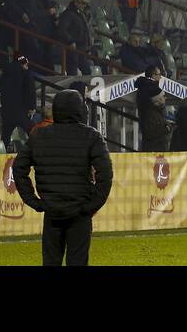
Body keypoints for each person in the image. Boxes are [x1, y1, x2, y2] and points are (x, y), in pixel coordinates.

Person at [12, 89, 114, 266]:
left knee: (51, 262)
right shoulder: (91, 136)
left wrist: (35, 201)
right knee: (78, 261)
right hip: (79, 212)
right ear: (80, 110)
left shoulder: (39, 135)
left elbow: (19, 168)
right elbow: (106, 174)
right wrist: (91, 205)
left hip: (52, 211)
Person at [0, 54, 37, 148]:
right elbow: (30, 91)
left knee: (5, 137)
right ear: (22, 64)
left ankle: (1, 157)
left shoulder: (5, 73)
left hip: (7, 110)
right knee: (33, 133)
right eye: (26, 64)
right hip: (22, 111)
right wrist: (32, 107)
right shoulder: (25, 73)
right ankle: (38, 153)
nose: (27, 66)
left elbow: (0, 87)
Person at [135, 65, 172, 151]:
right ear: (153, 75)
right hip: (154, 146)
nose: (160, 77)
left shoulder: (144, 87)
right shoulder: (149, 89)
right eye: (159, 74)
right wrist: (166, 128)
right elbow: (150, 132)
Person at [56, 0, 93, 74]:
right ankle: (74, 86)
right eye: (82, 3)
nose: (84, 6)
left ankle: (82, 85)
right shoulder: (68, 14)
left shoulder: (79, 15)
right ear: (76, 3)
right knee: (73, 72)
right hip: (72, 49)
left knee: (86, 71)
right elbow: (62, 29)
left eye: (85, 4)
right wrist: (71, 41)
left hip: (80, 48)